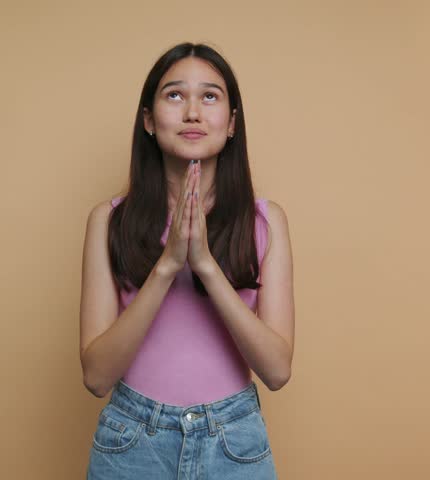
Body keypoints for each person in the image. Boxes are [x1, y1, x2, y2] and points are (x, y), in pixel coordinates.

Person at [79, 42, 294, 479]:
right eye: (175, 95)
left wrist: (206, 266)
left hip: (233, 442)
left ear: (231, 123)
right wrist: (168, 264)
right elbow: (97, 377)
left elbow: (276, 371)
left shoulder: (266, 222)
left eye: (210, 96)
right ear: (148, 120)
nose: (192, 113)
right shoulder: (108, 221)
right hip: (132, 444)